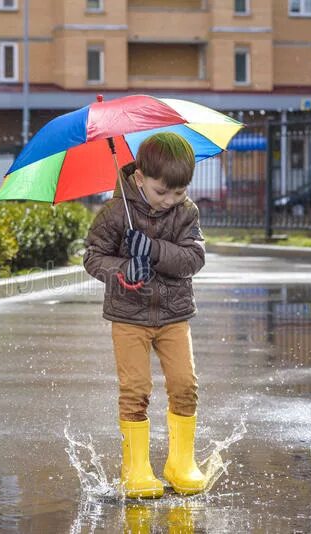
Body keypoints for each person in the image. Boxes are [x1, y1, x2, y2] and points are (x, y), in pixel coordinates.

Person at [83, 132, 207, 498]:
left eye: (178, 192)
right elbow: (93, 257)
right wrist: (124, 270)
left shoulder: (187, 214)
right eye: (161, 192)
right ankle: (135, 468)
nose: (170, 200)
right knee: (135, 390)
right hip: (129, 317)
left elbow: (193, 259)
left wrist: (153, 250)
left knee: (185, 385)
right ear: (140, 178)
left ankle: (180, 462)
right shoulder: (115, 212)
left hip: (173, 315)